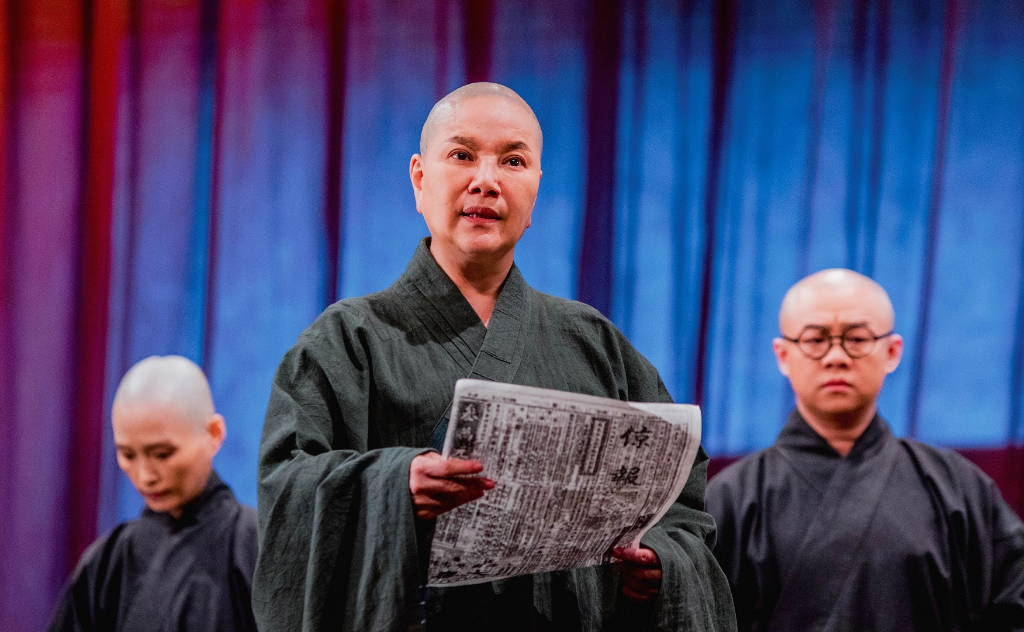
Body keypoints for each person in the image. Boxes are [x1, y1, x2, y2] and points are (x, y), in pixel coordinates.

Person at [253, 82, 736, 632]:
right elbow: (287, 492)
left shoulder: (594, 343)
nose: (487, 180)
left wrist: (660, 565)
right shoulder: (348, 341)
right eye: (462, 155)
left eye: (513, 161)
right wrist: (394, 485)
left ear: (535, 191)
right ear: (419, 178)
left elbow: (680, 502)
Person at [706, 269, 1024, 631]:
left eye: (857, 338)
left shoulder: (960, 488)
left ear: (892, 351)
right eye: (815, 339)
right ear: (783, 355)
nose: (836, 356)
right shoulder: (731, 498)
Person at [47, 355, 259, 632]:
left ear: (214, 434)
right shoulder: (107, 561)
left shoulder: (259, 547)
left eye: (162, 454)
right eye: (128, 455)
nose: (145, 476)